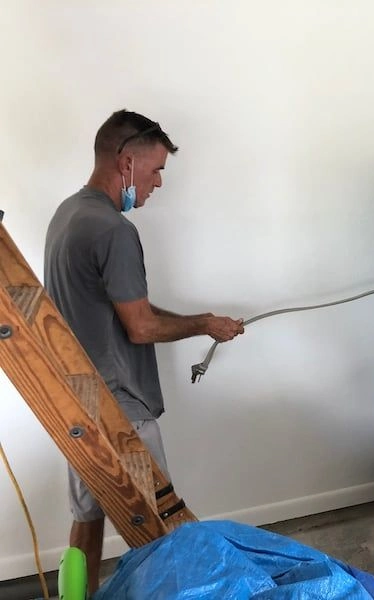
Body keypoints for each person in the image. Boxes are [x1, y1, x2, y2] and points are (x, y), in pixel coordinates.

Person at [44, 109, 245, 593]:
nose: (157, 183)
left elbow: (127, 308)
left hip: (78, 405)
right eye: (155, 170)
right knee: (160, 533)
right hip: (120, 414)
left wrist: (201, 320)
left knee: (86, 519)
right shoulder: (113, 230)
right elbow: (140, 326)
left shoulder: (68, 215)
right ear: (126, 162)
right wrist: (204, 324)